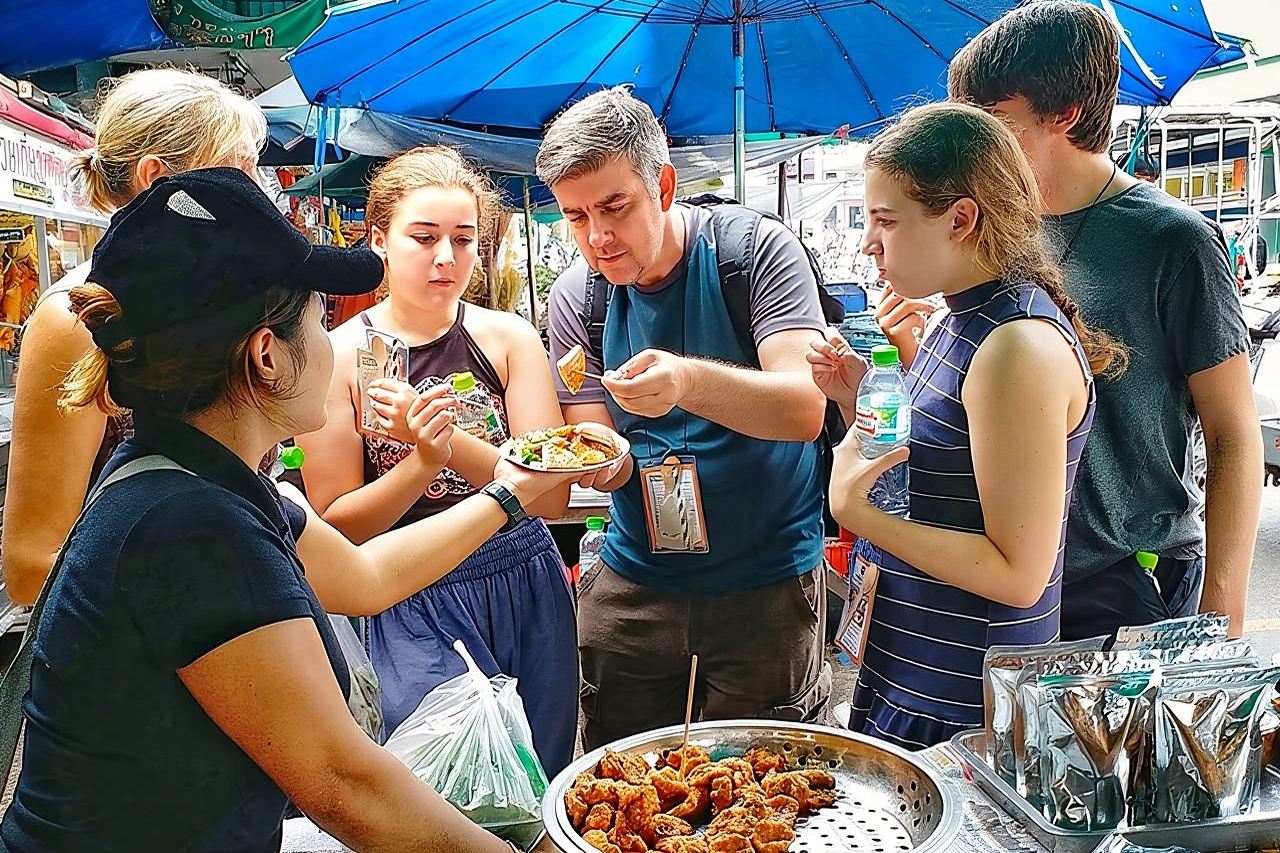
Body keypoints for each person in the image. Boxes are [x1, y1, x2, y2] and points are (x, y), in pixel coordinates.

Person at [0, 167, 573, 851]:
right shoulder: (190, 528)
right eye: (318, 318)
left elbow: (364, 577)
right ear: (266, 355)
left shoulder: (199, 474)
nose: (334, 340)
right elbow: (344, 784)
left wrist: (507, 495)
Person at [895, 0, 1261, 640]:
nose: (974, 145)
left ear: (1062, 115)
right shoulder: (986, 229)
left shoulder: (1172, 242)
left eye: (996, 121)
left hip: (1123, 585)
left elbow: (1232, 434)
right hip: (996, 578)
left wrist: (1221, 611)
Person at [812, 102, 1119, 749]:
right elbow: (946, 486)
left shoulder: (1016, 346)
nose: (869, 241)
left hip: (967, 710)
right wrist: (856, 402)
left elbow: (1018, 571)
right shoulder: (958, 320)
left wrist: (855, 511)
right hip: (912, 674)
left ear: (960, 219)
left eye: (885, 222)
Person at [536, 86, 831, 750]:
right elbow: (600, 450)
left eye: (615, 207)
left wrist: (687, 382)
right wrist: (598, 457)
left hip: (767, 581)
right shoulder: (576, 298)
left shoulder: (753, 254)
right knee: (622, 776)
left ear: (663, 185)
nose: (598, 238)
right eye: (576, 217)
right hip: (638, 572)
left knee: (761, 786)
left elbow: (803, 407)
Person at [297, 146, 577, 775]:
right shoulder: (339, 356)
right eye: (424, 238)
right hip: (406, 587)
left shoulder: (508, 338)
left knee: (544, 771)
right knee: (438, 785)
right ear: (380, 240)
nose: (446, 258)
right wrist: (418, 466)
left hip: (520, 579)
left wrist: (445, 444)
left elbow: (552, 497)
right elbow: (340, 523)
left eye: (464, 238)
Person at [2, 68, 268, 607]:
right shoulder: (74, 320)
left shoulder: (219, 302)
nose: (258, 191)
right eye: (240, 170)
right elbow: (33, 564)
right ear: (157, 179)